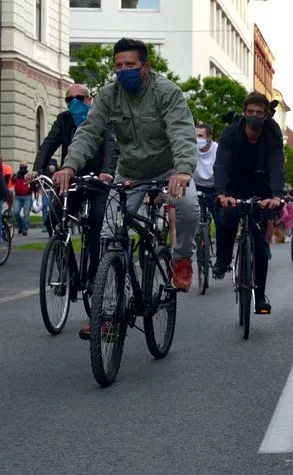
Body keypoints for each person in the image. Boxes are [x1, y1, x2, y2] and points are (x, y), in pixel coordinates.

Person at [53, 38, 199, 339]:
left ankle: (181, 257)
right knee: (109, 237)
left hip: (170, 170)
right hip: (130, 172)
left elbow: (182, 132)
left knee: (187, 207)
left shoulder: (166, 92)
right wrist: (69, 165)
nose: (123, 71)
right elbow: (89, 133)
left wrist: (183, 172)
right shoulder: (109, 95)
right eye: (118, 66)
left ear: (145, 66)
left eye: (130, 65)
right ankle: (106, 316)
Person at [212, 91, 284, 314]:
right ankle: (223, 258)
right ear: (244, 113)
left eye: (259, 113)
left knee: (260, 245)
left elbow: (276, 163)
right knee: (227, 218)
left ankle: (260, 296)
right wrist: (222, 193)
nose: (254, 116)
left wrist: (276, 194)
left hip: (261, 188)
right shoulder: (231, 132)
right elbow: (222, 161)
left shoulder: (272, 132)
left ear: (266, 116)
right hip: (234, 185)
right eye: (250, 112)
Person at [27, 84, 118, 247]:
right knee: (53, 219)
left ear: (90, 100)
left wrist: (107, 172)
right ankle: (66, 265)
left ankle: (95, 269)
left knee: (97, 221)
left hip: (99, 179)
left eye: (79, 98)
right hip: (71, 178)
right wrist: (37, 170)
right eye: (69, 99)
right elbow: (48, 144)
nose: (74, 102)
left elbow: (111, 146)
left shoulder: (102, 117)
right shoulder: (64, 119)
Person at [193, 123, 220, 227]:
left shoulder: (218, 149)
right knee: (190, 219)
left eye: (200, 136)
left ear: (209, 137)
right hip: (196, 186)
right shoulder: (191, 149)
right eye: (195, 135)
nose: (197, 139)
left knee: (220, 221)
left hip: (214, 188)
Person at [12, 162, 35, 235]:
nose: (23, 168)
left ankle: (25, 229)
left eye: (25, 166)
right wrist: (15, 176)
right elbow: (12, 181)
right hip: (17, 196)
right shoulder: (17, 174)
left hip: (27, 196)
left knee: (26, 214)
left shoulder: (29, 175)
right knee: (15, 212)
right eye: (22, 166)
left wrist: (35, 193)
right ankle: (21, 225)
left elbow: (33, 185)